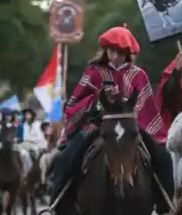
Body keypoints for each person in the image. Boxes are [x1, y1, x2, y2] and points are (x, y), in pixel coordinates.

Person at [46, 25, 174, 213]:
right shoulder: (93, 72)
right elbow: (74, 106)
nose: (115, 56)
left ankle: (166, 205)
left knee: (163, 157)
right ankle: (58, 205)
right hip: (96, 126)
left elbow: (146, 107)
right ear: (105, 50)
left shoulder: (138, 75)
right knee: (65, 159)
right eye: (111, 51)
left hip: (131, 126)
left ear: (127, 53)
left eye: (120, 52)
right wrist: (99, 99)